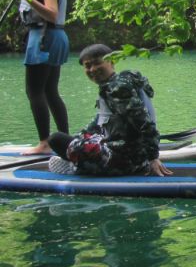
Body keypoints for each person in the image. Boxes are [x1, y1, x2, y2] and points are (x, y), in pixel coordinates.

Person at [46, 44, 171, 176]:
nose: (93, 69)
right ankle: (79, 163)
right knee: (74, 139)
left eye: (97, 63)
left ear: (112, 61)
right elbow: (98, 123)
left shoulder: (117, 89)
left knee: (56, 139)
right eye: (88, 66)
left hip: (125, 160)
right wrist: (79, 137)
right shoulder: (113, 86)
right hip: (134, 156)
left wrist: (153, 158)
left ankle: (78, 168)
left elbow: (144, 123)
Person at [16, 0, 70, 154]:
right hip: (52, 37)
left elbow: (52, 14)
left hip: (44, 38)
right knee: (49, 91)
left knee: (35, 91)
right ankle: (65, 140)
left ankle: (45, 143)